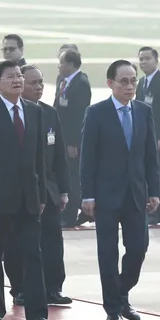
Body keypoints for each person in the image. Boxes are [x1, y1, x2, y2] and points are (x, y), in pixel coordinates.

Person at [0, 60, 51, 320]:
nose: (17, 80)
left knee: (33, 255)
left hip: (29, 199)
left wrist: (41, 195)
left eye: (19, 75)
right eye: (11, 76)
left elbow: (39, 158)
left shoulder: (35, 111)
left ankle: (37, 314)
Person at [80, 60, 160, 320]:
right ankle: (113, 308)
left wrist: (154, 190)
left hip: (136, 193)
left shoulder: (144, 111)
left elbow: (150, 155)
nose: (129, 86)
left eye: (133, 81)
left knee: (138, 247)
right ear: (110, 83)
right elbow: (88, 158)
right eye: (124, 81)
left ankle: (122, 292)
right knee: (108, 253)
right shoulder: (96, 113)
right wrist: (87, 195)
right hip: (106, 195)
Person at [16, 64, 71, 305]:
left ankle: (53, 288)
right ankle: (22, 288)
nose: (38, 87)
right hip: (22, 190)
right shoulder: (14, 114)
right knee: (23, 242)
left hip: (49, 189)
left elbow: (59, 154)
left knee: (52, 240)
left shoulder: (49, 113)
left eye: (40, 82)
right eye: (33, 83)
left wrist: (64, 189)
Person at [136, 47, 160, 225]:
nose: (143, 62)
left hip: (158, 138)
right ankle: (152, 210)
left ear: (156, 60)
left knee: (158, 175)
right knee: (146, 174)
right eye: (141, 59)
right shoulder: (141, 83)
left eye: (147, 58)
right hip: (143, 137)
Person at [55, 48, 91, 227]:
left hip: (71, 141)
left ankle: (71, 215)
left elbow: (79, 116)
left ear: (70, 64)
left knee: (73, 178)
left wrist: (73, 143)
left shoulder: (80, 83)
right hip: (62, 137)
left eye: (61, 62)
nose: (59, 66)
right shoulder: (63, 81)